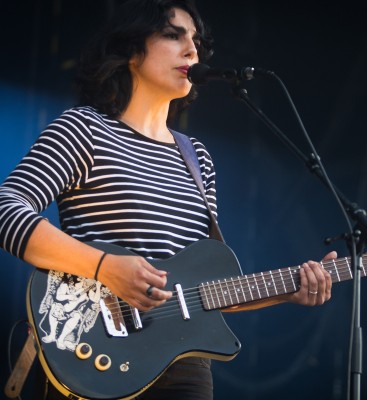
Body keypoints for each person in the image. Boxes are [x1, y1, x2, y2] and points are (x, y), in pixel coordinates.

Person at [0, 0, 335, 398]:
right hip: (90, 353)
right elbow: (7, 208)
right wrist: (105, 267)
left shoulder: (197, 158)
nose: (192, 51)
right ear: (131, 50)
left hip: (184, 372)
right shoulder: (84, 129)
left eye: (196, 41)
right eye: (174, 35)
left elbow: (205, 290)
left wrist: (288, 288)